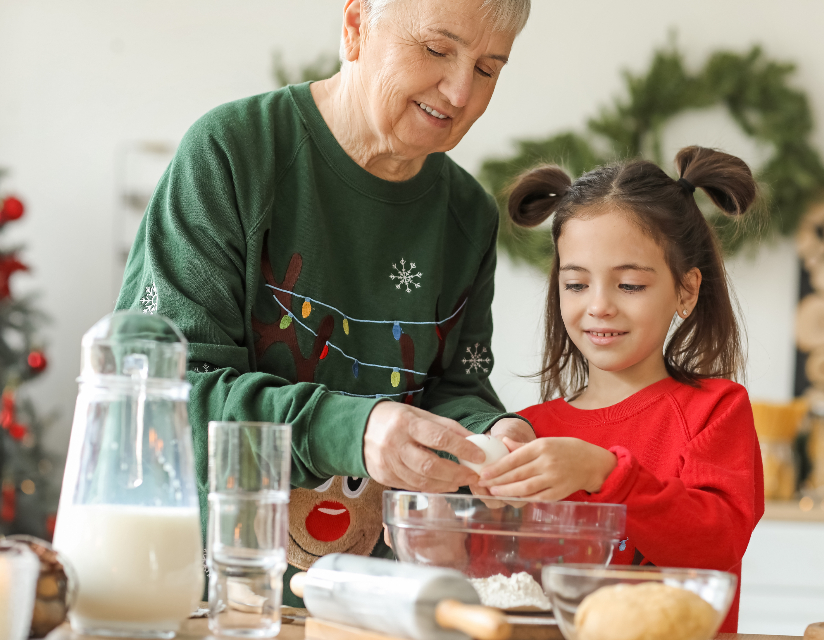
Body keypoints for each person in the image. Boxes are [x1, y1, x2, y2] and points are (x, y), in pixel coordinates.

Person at [114, 0, 535, 604]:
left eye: (489, 68)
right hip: (209, 600)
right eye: (437, 50)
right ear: (357, 24)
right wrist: (351, 430)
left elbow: (453, 388)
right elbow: (161, 401)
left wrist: (491, 433)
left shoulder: (468, 214)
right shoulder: (233, 155)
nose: (460, 90)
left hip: (378, 608)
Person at [477, 147, 765, 633]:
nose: (599, 306)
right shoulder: (530, 431)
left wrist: (604, 472)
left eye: (629, 285)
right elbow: (498, 581)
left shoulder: (714, 410)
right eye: (576, 284)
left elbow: (715, 547)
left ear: (685, 291)